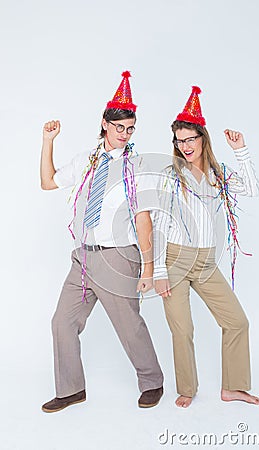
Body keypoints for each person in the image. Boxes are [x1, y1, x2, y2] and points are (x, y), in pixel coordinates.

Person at [40, 71, 163, 412]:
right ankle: (71, 389)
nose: (124, 134)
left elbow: (143, 219)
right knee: (62, 322)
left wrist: (148, 268)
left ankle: (152, 381)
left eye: (130, 128)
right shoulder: (86, 161)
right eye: (119, 127)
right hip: (82, 257)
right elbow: (48, 182)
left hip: (117, 257)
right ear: (105, 124)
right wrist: (48, 140)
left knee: (129, 325)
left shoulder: (134, 168)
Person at [153, 86, 259, 408]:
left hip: (205, 262)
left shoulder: (219, 174)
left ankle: (234, 387)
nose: (185, 146)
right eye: (179, 140)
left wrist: (241, 150)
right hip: (174, 260)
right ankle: (187, 388)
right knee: (183, 330)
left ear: (203, 138)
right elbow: (159, 224)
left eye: (191, 139)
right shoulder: (170, 175)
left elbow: (253, 189)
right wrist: (159, 270)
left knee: (236, 321)